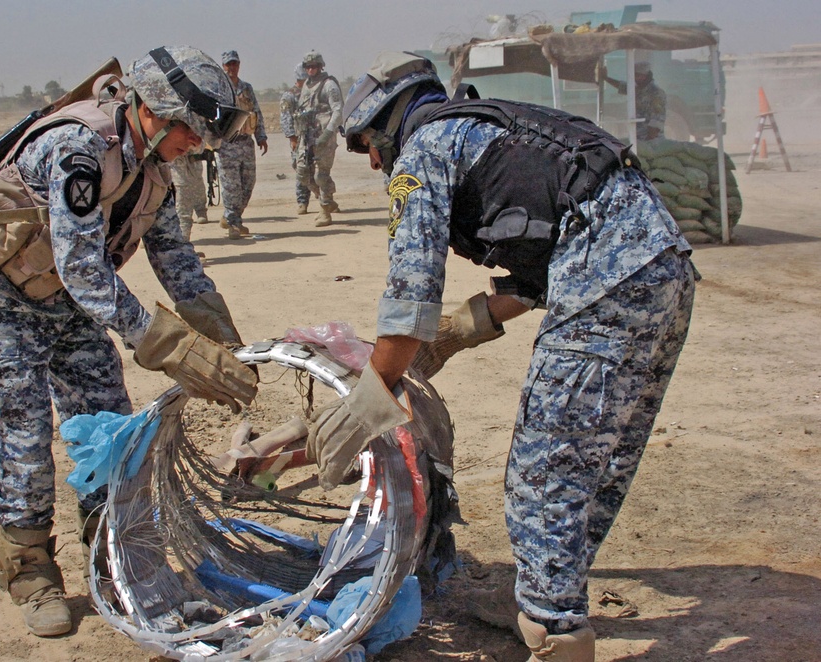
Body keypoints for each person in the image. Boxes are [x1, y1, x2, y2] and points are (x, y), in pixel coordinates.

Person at [308, 52, 697, 661]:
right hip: (665, 272)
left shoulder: (425, 148)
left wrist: (367, 404)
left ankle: (555, 633)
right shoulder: (493, 127)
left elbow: (410, 295)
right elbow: (537, 267)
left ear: (389, 123)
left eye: (366, 145)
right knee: (596, 462)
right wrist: (461, 330)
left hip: (606, 285)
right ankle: (544, 598)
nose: (374, 162)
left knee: (543, 474)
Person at [0, 46, 259, 637]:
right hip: (5, 301)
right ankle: (28, 571)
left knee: (107, 426)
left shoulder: (155, 168)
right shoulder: (79, 151)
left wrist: (221, 336)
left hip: (72, 302)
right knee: (25, 437)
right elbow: (84, 271)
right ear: (153, 111)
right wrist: (170, 347)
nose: (194, 144)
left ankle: (114, 558)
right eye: (188, 130)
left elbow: (174, 258)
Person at [216, 50, 267, 239]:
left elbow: (256, 112)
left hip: (246, 143)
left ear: (239, 65)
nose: (232, 68)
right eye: (228, 64)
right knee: (232, 187)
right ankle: (233, 223)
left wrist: (261, 136)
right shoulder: (218, 89)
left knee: (248, 184)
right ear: (223, 66)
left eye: (234, 64)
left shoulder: (246, 88)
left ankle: (232, 216)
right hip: (227, 144)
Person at [295, 50, 343, 227]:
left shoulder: (329, 85)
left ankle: (325, 210)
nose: (311, 69)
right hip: (307, 135)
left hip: (324, 134)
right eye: (308, 66)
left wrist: (328, 133)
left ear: (320, 66)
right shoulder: (306, 85)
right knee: (302, 172)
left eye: (314, 66)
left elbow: (338, 110)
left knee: (321, 175)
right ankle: (327, 199)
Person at [605, 61, 667, 140]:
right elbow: (622, 86)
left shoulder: (656, 93)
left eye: (636, 75)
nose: (634, 78)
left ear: (644, 76)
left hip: (650, 140)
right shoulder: (638, 89)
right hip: (638, 138)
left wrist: (648, 140)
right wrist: (606, 78)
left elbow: (657, 120)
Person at [280, 64, 312, 215]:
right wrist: (292, 138)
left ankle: (324, 198)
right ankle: (302, 201)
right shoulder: (289, 96)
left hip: (314, 136)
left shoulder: (312, 92)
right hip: (299, 138)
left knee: (318, 168)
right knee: (300, 168)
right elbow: (285, 118)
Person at [169, 149, 209, 236]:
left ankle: (200, 211)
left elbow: (208, 144)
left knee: (195, 186)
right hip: (170, 161)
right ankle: (182, 233)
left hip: (190, 161)